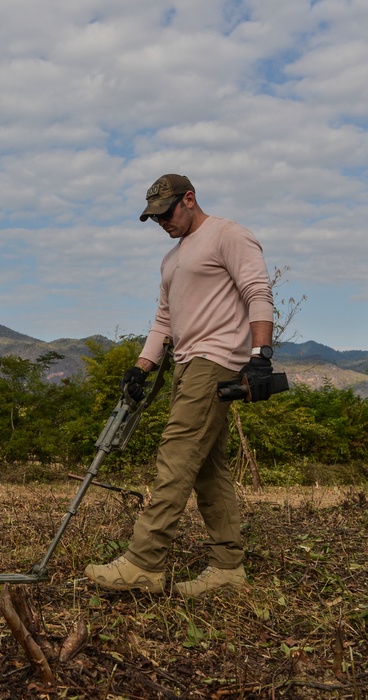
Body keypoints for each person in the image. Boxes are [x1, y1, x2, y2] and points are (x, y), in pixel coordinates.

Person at [84, 173, 277, 598]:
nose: (161, 223)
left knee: (176, 452)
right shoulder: (171, 259)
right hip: (186, 365)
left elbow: (258, 292)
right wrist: (142, 367)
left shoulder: (228, 234)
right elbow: (164, 320)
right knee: (208, 468)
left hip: (217, 360)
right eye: (153, 218)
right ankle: (228, 568)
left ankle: (143, 563)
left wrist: (260, 357)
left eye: (166, 213)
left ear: (189, 199)